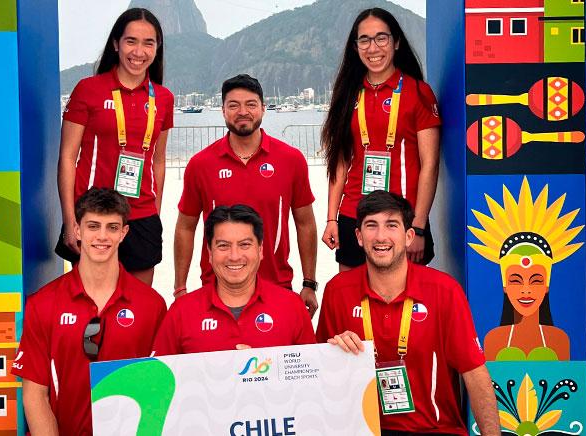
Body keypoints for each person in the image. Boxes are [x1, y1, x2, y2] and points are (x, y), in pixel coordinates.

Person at [317, 191, 500, 435]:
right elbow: (320, 376)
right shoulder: (337, 291)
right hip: (362, 430)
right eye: (371, 226)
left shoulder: (444, 291)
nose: (381, 236)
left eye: (391, 225)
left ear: (409, 236)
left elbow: (474, 372)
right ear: (359, 237)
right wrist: (334, 351)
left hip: (434, 430)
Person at [12, 188, 166, 435]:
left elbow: (158, 388)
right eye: (93, 226)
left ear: (124, 233)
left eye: (112, 227)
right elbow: (35, 394)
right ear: (76, 230)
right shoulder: (43, 303)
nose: (102, 237)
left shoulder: (152, 305)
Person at [174, 74, 319, 315]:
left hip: (277, 286)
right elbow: (185, 227)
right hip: (216, 289)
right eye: (234, 105)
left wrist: (309, 283)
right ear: (222, 111)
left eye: (251, 104)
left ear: (263, 108)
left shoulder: (291, 160)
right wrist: (180, 288)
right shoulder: (200, 164)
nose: (243, 111)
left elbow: (305, 223)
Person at [56, 8, 174, 285]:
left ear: (158, 48)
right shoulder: (89, 89)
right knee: (90, 309)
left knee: (138, 309)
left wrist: (154, 210)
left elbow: (158, 159)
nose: (139, 51)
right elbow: (67, 157)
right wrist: (70, 219)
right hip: (93, 212)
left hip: (141, 214)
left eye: (149, 43)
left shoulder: (164, 98)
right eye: (131, 41)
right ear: (116, 44)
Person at [321, 8, 441, 272]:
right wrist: (332, 218)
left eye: (381, 38)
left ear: (396, 42)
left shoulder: (418, 92)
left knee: (405, 306)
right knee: (352, 303)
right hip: (354, 215)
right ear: (355, 47)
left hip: (403, 217)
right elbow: (340, 161)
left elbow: (429, 164)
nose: (372, 48)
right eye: (364, 40)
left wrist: (418, 226)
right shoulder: (348, 93)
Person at [154, 205, 316, 355]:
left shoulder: (292, 306)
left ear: (260, 250)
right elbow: (159, 379)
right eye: (223, 246)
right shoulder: (181, 312)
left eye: (244, 244)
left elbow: (310, 378)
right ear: (209, 253)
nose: (234, 256)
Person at [467, 177, 583, 361]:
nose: (526, 290)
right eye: (516, 280)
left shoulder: (559, 339)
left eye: (536, 280)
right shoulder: (493, 339)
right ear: (505, 286)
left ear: (546, 286)